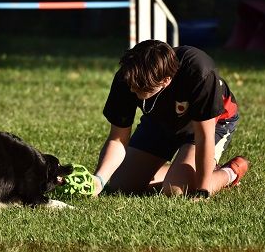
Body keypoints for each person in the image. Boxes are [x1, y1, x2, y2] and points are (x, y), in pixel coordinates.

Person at [91, 39, 249, 199]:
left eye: (141, 87)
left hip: (207, 124)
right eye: (131, 84)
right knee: (122, 185)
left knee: (176, 191)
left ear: (166, 81)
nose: (132, 89)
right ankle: (180, 172)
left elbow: (204, 137)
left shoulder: (199, 71)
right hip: (161, 120)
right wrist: (98, 180)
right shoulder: (129, 76)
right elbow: (118, 138)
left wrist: (203, 190)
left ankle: (229, 172)